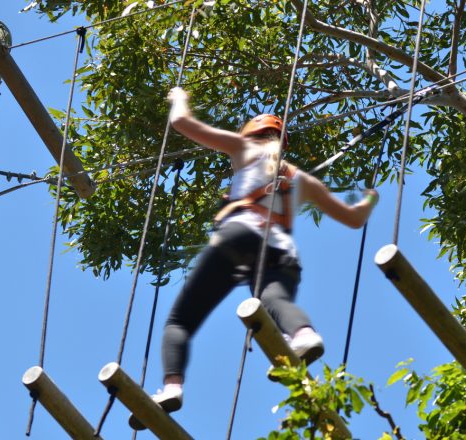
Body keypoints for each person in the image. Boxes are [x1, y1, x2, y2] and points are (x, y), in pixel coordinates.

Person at [144, 87, 379, 418]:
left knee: (179, 322)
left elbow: (182, 122)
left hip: (239, 235)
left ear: (251, 133)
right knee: (275, 302)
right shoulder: (302, 179)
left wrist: (178, 96)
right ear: (282, 140)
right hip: (281, 252)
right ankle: (304, 334)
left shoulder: (245, 148)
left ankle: (172, 388)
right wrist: (369, 200)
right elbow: (354, 219)